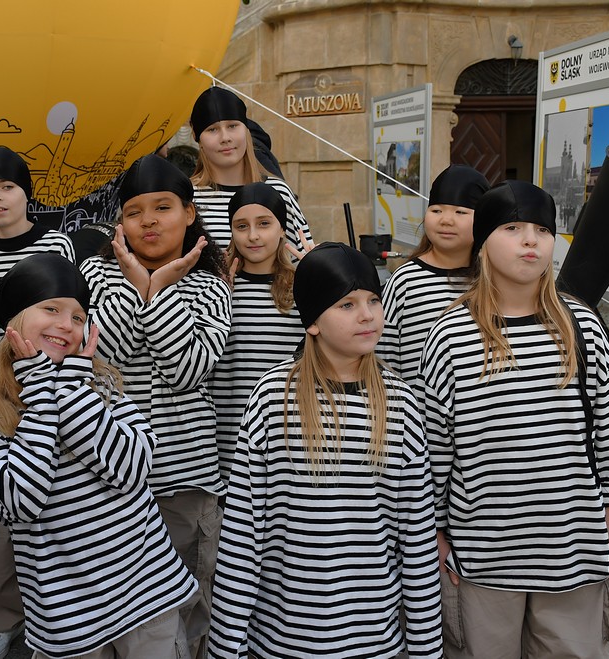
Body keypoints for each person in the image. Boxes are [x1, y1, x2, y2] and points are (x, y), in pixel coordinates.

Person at [418, 180, 609, 658]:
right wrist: (436, 536)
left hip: (573, 551)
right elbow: (434, 447)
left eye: (542, 230)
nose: (530, 241)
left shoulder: (582, 327)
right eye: (512, 228)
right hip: (483, 554)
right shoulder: (449, 335)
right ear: (483, 242)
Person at [208, 243, 443, 658]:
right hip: (281, 641)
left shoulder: (401, 404)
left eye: (373, 300)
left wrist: (427, 651)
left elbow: (417, 542)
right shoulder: (272, 399)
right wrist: (226, 649)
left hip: (373, 642)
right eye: (347, 304)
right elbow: (242, 537)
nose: (367, 315)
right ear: (313, 321)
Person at [0, 253, 198, 658]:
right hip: (67, 611)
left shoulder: (100, 383)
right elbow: (22, 499)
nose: (67, 325)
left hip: (147, 592)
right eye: (51, 309)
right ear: (15, 318)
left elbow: (133, 469)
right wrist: (40, 395)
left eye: (77, 316)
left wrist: (70, 391)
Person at [80, 155, 231, 658]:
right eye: (134, 211)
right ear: (120, 223)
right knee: (113, 599)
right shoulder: (95, 275)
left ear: (189, 213)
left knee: (187, 598)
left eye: (163, 207)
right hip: (107, 473)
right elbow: (104, 357)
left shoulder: (210, 284)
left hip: (184, 473)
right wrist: (134, 288)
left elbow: (187, 370)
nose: (148, 221)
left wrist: (158, 292)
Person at [0, 145, 75, 659]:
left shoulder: (55, 244)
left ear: (26, 192)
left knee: (59, 506)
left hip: (52, 389)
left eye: (6, 186)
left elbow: (71, 318)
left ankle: (61, 608)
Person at [208, 182, 304, 483]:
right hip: (229, 440)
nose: (252, 235)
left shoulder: (303, 288)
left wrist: (323, 283)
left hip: (291, 437)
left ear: (282, 228)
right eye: (241, 226)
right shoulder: (217, 288)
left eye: (264, 223)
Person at [378, 164, 489, 381]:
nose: (446, 220)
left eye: (460, 212)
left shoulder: (491, 280)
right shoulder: (405, 281)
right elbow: (384, 352)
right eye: (436, 210)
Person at [189, 86, 312, 256]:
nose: (225, 138)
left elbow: (301, 259)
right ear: (198, 139)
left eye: (232, 126)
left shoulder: (279, 191)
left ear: (246, 131)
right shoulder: (188, 198)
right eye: (212, 129)